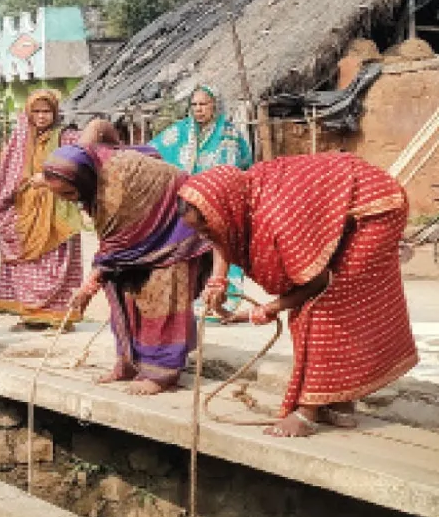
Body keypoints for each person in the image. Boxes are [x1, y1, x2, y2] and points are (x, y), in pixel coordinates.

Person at [178, 152, 419, 438]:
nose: (205, 234)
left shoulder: (277, 220)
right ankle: (339, 400)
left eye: (205, 226)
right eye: (199, 230)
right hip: (344, 204)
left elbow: (318, 282)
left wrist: (268, 309)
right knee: (319, 307)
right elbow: (220, 234)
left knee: (324, 308)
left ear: (225, 209)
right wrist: (217, 280)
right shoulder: (239, 200)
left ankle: (308, 412)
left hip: (374, 210)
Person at [34, 143, 215, 396]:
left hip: (174, 228)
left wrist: (87, 288)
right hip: (136, 232)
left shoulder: (112, 194)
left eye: (69, 193)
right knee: (122, 290)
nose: (68, 200)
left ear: (84, 180)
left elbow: (113, 250)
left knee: (161, 299)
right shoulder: (93, 167)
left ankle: (162, 372)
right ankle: (129, 362)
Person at [0, 89, 84, 330]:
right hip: (26, 209)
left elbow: (82, 162)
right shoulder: (19, 139)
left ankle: (59, 316)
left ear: (55, 113)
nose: (42, 116)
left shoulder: (67, 137)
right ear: (29, 113)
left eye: (47, 111)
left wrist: (51, 177)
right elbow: (7, 174)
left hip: (58, 208)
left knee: (59, 261)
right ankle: (30, 315)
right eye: (37, 111)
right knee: (27, 264)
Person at [152, 85, 253, 312]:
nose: (198, 109)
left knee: (221, 246)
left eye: (203, 104)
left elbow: (243, 164)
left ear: (214, 106)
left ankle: (223, 298)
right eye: (194, 105)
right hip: (187, 205)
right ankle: (189, 298)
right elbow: (152, 152)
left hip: (220, 203)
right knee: (184, 248)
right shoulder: (178, 132)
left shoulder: (230, 134)